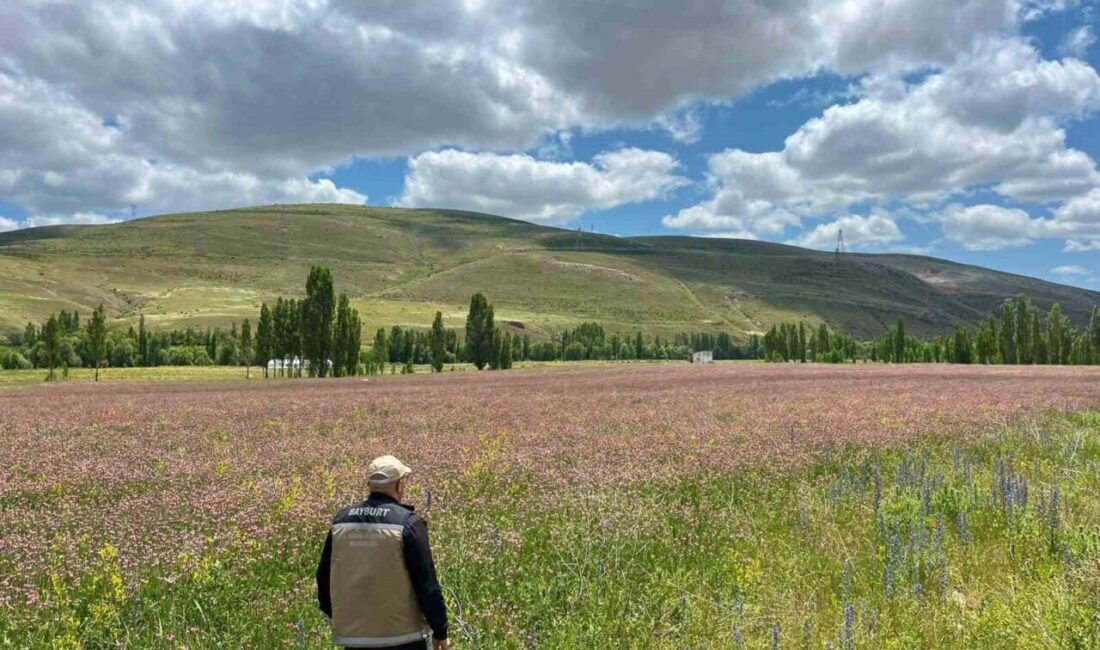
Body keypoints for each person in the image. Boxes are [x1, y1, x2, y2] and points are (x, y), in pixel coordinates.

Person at [317, 455, 450, 649]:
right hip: (403, 637)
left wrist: (341, 617)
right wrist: (440, 631)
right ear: (398, 485)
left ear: (370, 484)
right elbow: (426, 583)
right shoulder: (408, 523)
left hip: (355, 638)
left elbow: (323, 576)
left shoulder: (341, 523)